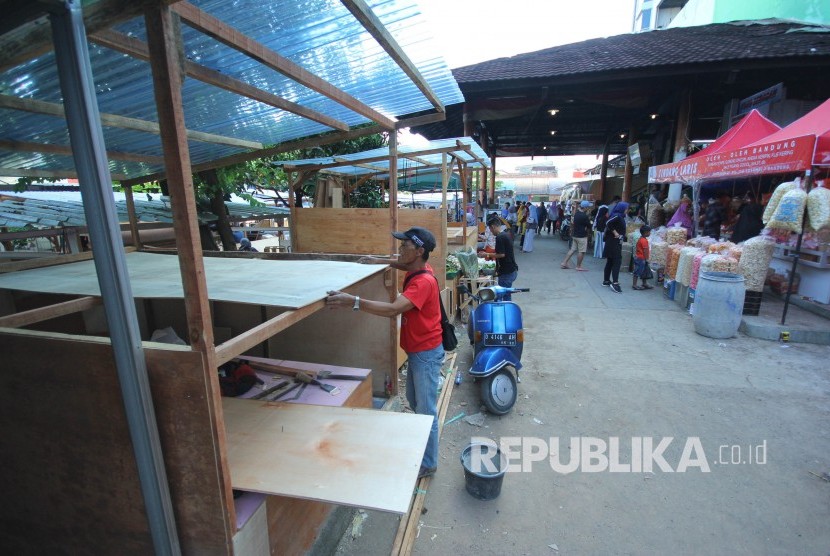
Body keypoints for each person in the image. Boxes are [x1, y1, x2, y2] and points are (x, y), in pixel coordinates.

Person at [325, 227, 442, 479]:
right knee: (414, 401)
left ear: (419, 251)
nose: (400, 250)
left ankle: (429, 462)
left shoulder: (423, 282)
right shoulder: (420, 269)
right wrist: (378, 261)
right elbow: (403, 265)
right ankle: (423, 446)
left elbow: (392, 309)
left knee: (426, 410)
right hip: (418, 351)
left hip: (426, 353)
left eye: (405, 246)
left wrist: (353, 301)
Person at [479, 215, 518, 300]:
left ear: (493, 227)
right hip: (511, 270)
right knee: (506, 293)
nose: (491, 232)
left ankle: (504, 310)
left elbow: (501, 254)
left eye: (490, 229)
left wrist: (486, 254)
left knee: (502, 294)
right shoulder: (505, 235)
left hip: (507, 272)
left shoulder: (500, 237)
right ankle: (507, 310)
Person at [602, 201, 629, 293]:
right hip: (613, 242)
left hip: (612, 242)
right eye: (626, 209)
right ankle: (615, 283)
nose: (627, 210)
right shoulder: (617, 215)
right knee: (616, 262)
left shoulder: (619, 216)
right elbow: (608, 223)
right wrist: (615, 232)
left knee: (610, 261)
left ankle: (606, 280)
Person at [561, 200, 592, 270]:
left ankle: (564, 262)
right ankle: (578, 266)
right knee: (581, 251)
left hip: (575, 235)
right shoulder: (584, 216)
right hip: (582, 236)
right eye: (588, 207)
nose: (588, 208)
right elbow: (589, 226)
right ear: (585, 207)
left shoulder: (576, 214)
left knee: (572, 249)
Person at [632, 225, 654, 290]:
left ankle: (644, 283)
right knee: (638, 271)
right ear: (646, 233)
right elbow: (645, 251)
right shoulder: (644, 241)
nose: (650, 233)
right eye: (649, 232)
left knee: (644, 270)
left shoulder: (642, 239)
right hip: (641, 258)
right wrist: (647, 259)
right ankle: (634, 285)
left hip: (641, 258)